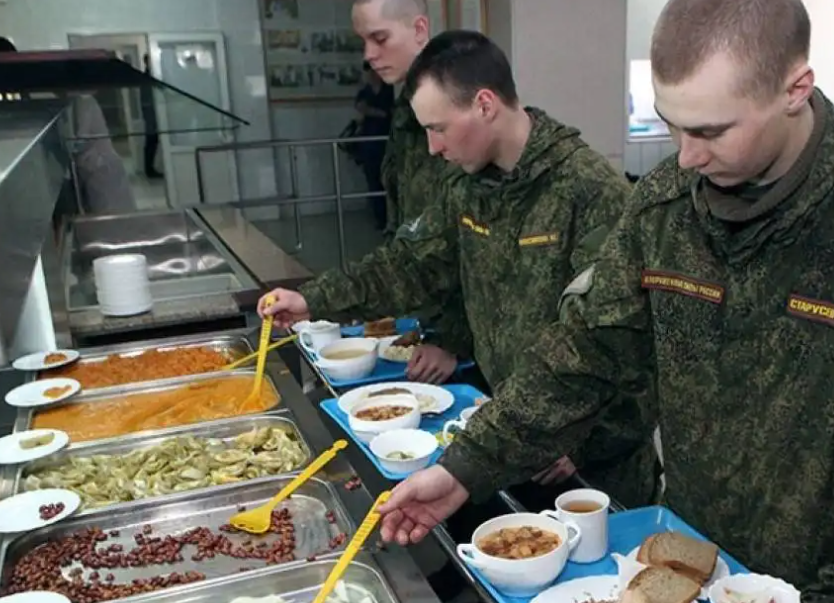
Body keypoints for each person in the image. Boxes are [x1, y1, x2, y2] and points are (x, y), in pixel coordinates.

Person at [377, 2, 834, 603]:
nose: (688, 156)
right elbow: (583, 351)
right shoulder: (666, 208)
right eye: (673, 126)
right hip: (691, 575)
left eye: (711, 130)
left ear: (795, 89)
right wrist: (466, 465)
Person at [259, 30, 660, 510]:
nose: (431, 147)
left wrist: (583, 438)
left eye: (439, 128)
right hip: (507, 430)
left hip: (590, 466)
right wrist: (312, 300)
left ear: (485, 105)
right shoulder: (467, 185)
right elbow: (413, 264)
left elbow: (630, 347)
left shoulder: (590, 191)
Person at [348, 0, 473, 388]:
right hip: (425, 320)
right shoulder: (405, 111)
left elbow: (472, 245)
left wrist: (453, 341)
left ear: (420, 30)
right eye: (364, 41)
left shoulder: (455, 106)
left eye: (379, 38)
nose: (369, 55)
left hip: (464, 344)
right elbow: (407, 228)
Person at [0, 36, 137, 215]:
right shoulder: (62, 100)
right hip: (82, 173)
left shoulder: (83, 102)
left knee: (112, 218)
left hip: (101, 171)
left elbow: (75, 141)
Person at [353, 61, 395, 230]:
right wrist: (380, 113)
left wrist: (374, 112)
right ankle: (380, 219)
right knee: (372, 180)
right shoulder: (365, 92)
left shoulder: (389, 90)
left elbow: (390, 112)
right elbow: (360, 108)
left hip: (386, 141)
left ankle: (391, 218)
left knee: (389, 180)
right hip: (369, 142)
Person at [140, 55, 163, 179]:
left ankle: (150, 169)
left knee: (152, 142)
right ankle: (149, 169)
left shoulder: (153, 76)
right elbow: (147, 101)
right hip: (151, 116)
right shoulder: (147, 78)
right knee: (151, 142)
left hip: (153, 115)